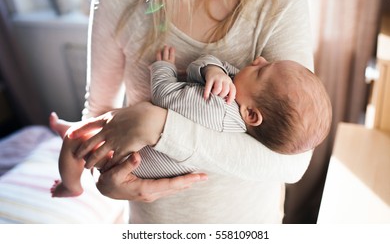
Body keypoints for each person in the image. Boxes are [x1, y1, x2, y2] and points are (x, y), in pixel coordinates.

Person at [51, 0, 322, 223]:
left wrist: (156, 126)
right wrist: (107, 183)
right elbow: (97, 117)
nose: (259, 62)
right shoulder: (117, 1)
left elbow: (293, 164)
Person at [50, 44, 331, 195]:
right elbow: (211, 65)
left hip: (123, 158)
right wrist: (212, 70)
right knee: (90, 127)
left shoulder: (218, 111)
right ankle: (77, 127)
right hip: (130, 141)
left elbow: (165, 97)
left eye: (261, 70)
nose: (258, 59)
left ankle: (71, 185)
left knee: (73, 142)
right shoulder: (239, 101)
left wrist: (163, 68)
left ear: (251, 115)